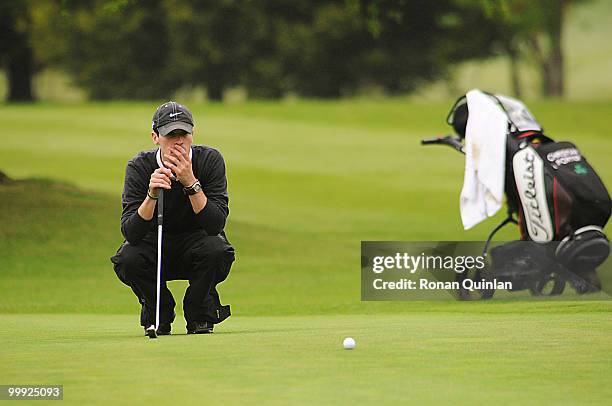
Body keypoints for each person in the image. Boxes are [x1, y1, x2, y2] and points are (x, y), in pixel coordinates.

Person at [111, 101, 234, 335]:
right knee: (127, 258)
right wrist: (151, 196)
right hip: (154, 244)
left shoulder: (209, 160)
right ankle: (159, 312)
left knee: (218, 250)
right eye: (170, 135)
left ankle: (200, 312)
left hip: (198, 242)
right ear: (155, 137)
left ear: (192, 133)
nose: (178, 141)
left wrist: (190, 183)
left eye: (183, 134)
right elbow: (131, 232)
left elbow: (215, 224)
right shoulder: (139, 166)